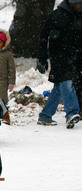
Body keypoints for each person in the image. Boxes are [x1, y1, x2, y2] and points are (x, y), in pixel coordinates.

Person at [36, 0, 81, 128]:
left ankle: (45, 116)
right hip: (59, 57)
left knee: (59, 87)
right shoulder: (56, 15)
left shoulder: (78, 15)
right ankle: (71, 113)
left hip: (74, 57)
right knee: (67, 82)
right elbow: (43, 36)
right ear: (72, 3)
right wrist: (42, 58)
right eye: (79, 3)